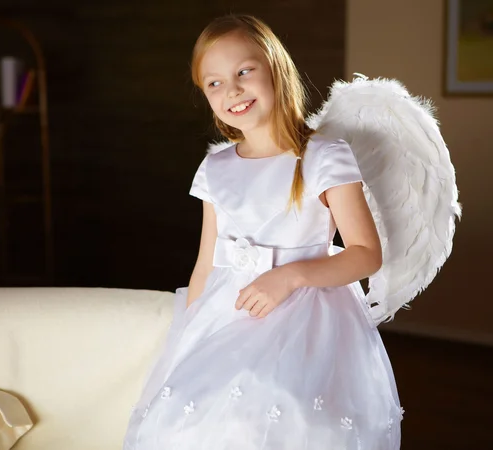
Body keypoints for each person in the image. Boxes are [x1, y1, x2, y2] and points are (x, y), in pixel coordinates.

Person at [123, 14, 404, 450]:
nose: (231, 90)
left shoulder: (323, 156)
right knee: (199, 421)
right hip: (230, 310)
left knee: (280, 419)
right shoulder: (215, 167)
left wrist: (290, 276)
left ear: (275, 69)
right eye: (214, 83)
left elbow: (366, 254)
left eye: (243, 72)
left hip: (308, 315)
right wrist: (188, 337)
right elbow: (205, 264)